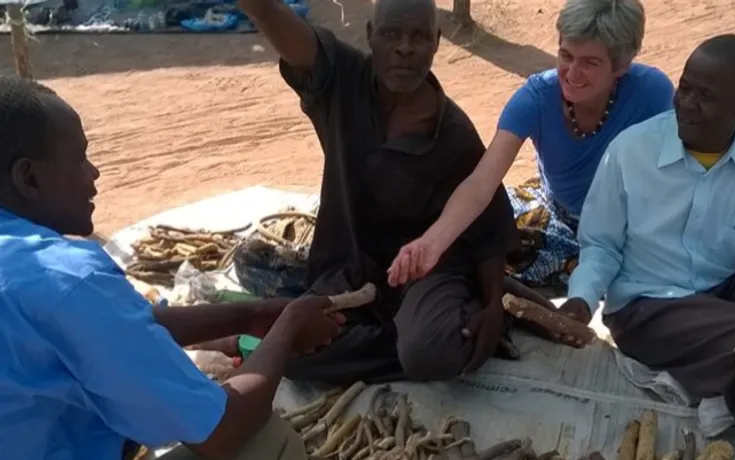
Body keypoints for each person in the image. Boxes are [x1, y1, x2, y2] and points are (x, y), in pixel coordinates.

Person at [0, 77, 345, 460]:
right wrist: (290, 325)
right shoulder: (65, 279)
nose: (93, 173)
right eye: (80, 158)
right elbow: (222, 432)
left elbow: (119, 323)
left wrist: (251, 314)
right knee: (266, 440)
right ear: (28, 178)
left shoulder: (35, 275)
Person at [237, 0, 518, 384]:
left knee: (426, 354)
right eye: (391, 34)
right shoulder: (344, 79)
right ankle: (422, 336)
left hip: (430, 273)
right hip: (352, 265)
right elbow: (297, 42)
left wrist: (493, 305)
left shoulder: (453, 133)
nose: (404, 48)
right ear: (371, 36)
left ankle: (431, 334)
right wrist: (257, 6)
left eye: (419, 36)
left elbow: (489, 230)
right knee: (289, 350)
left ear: (436, 43)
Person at [563, 34, 735, 459]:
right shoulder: (632, 151)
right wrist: (581, 298)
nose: (686, 104)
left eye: (704, 97)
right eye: (684, 87)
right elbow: (601, 244)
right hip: (648, 308)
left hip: (730, 290)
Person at [386, 0, 674, 298]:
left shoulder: (652, 93)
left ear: (622, 66)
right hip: (559, 217)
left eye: (590, 63)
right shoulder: (535, 99)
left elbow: (675, 173)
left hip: (628, 225)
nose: (572, 74)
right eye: (566, 56)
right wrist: (431, 244)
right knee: (478, 248)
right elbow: (481, 182)